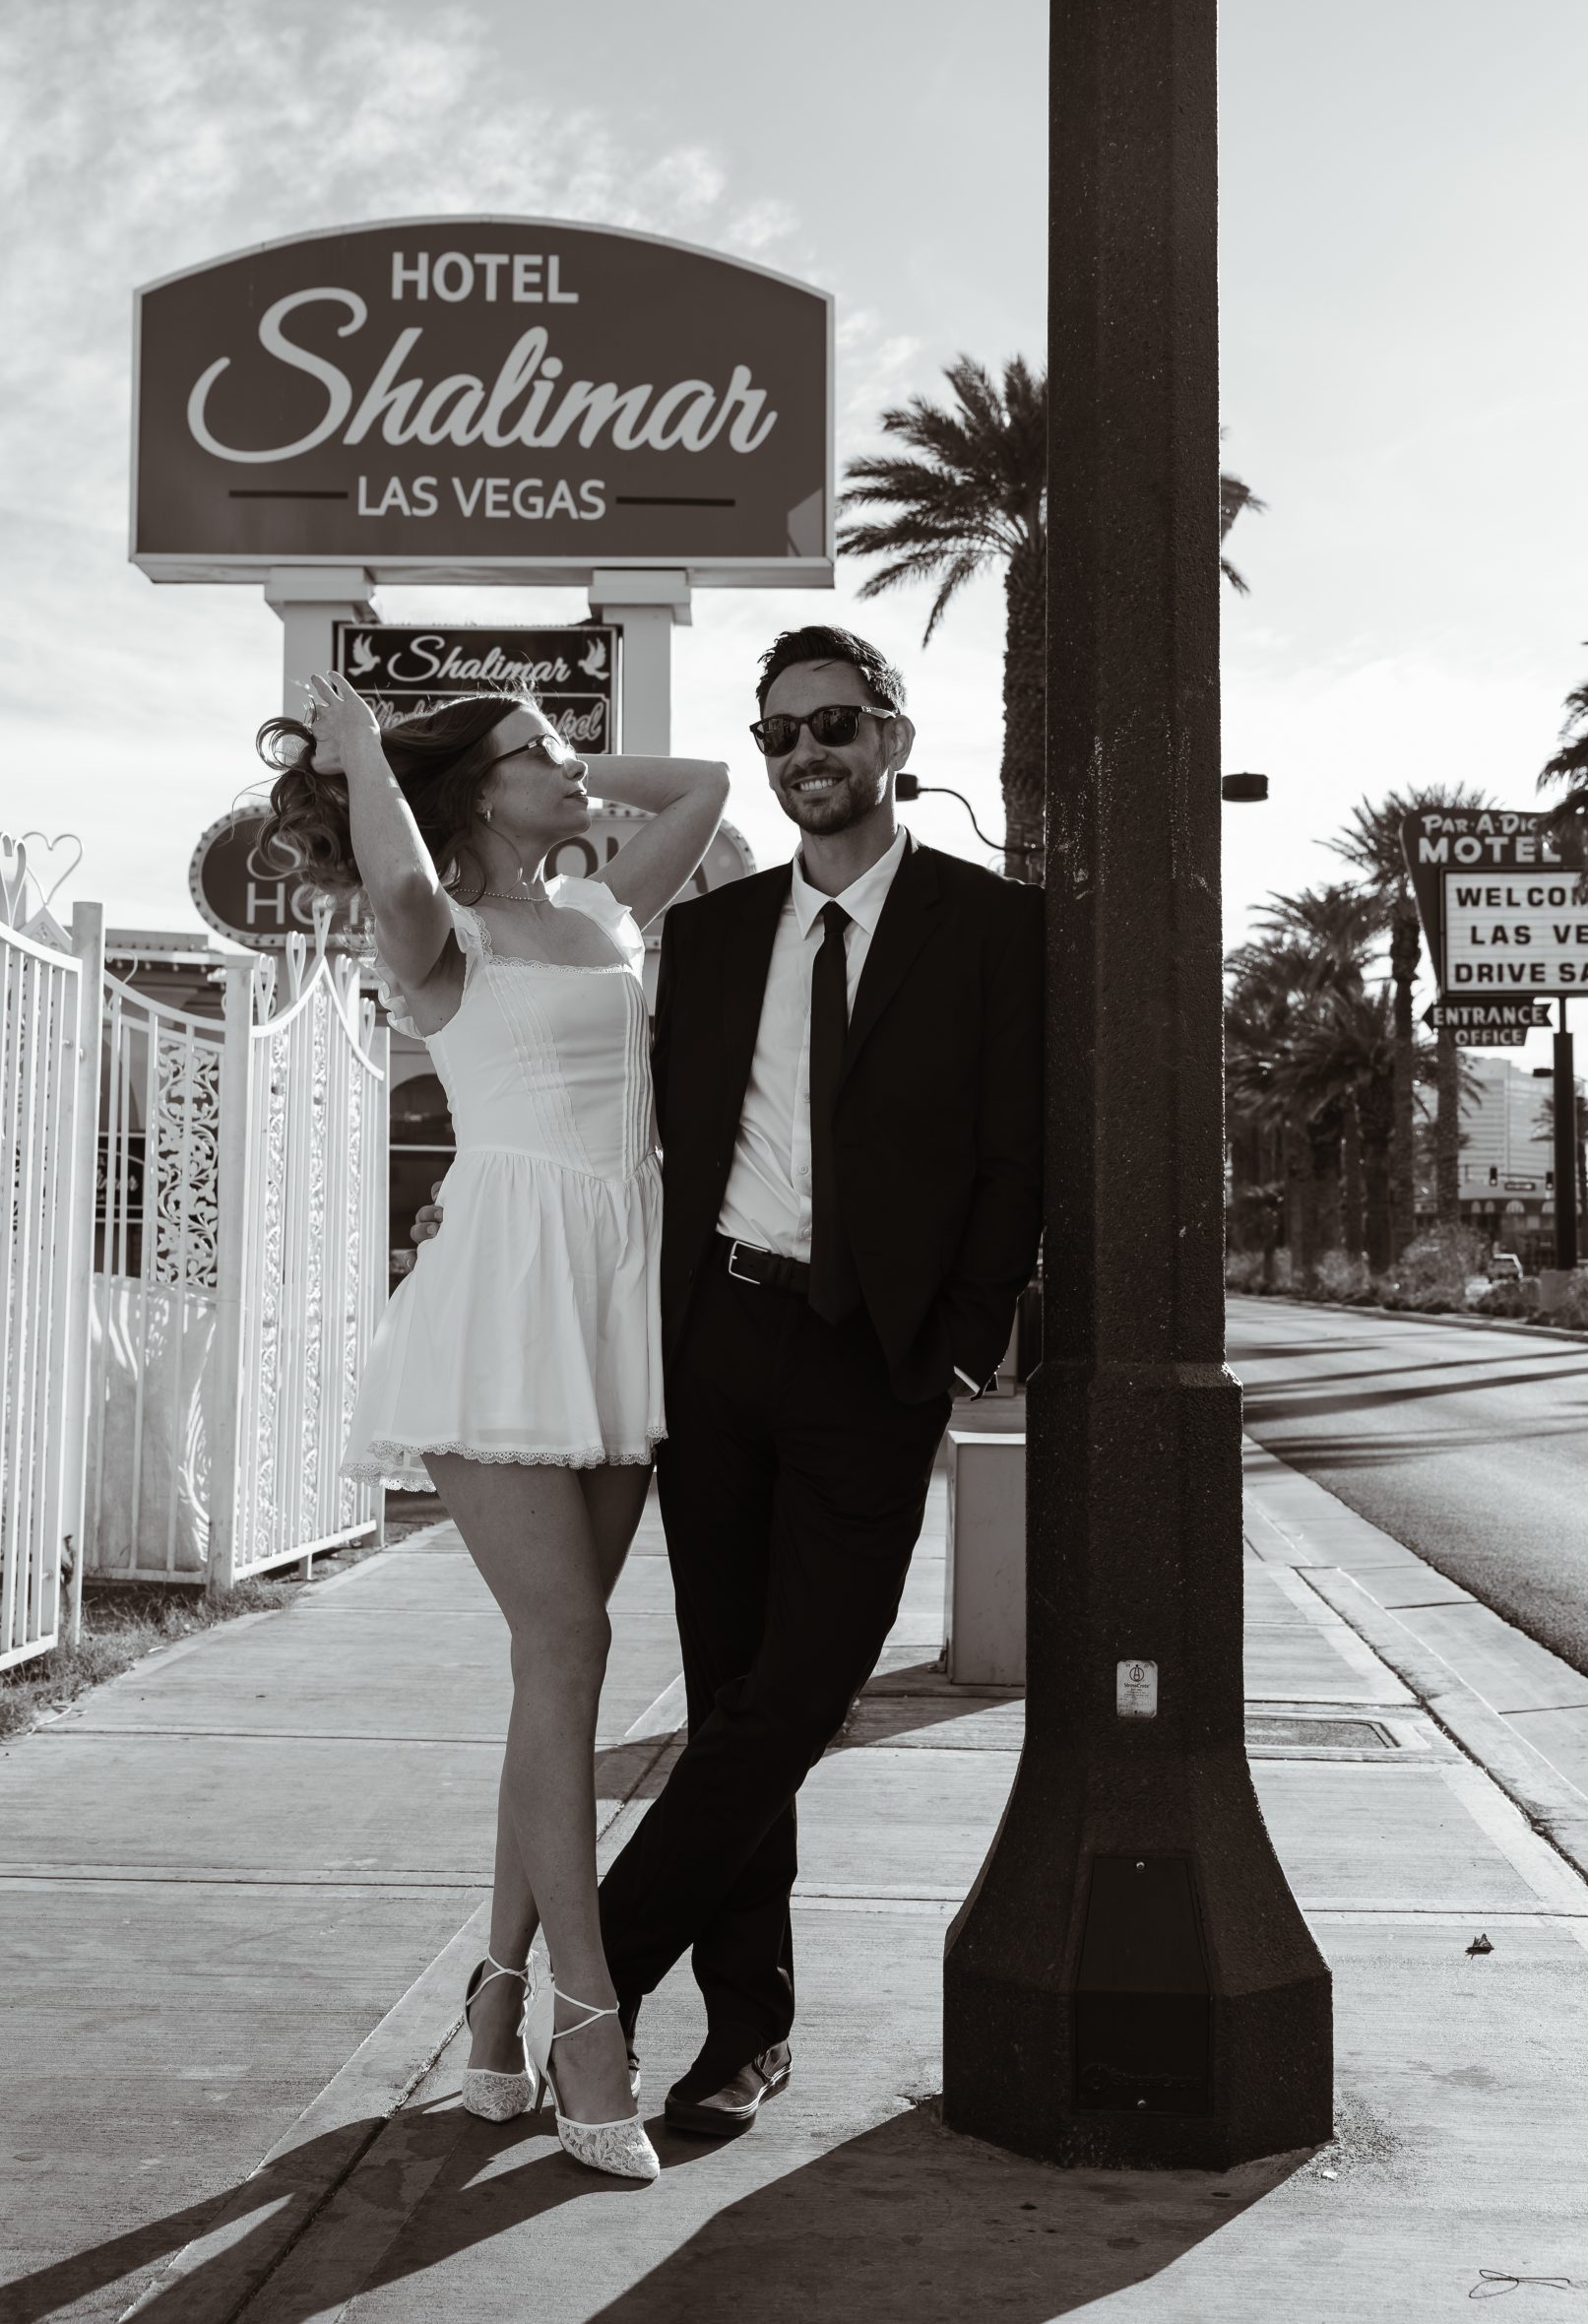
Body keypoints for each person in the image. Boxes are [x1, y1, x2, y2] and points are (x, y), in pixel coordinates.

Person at [418, 621, 1044, 2139]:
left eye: (834, 725)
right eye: (780, 734)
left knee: (802, 1694)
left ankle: (601, 1978)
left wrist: (967, 1333)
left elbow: (1017, 1146)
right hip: (714, 1346)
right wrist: (465, 1194)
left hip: (876, 1361)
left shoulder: (992, 926)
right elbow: (606, 1122)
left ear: (892, 738)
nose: (805, 755)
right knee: (731, 1694)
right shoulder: (706, 937)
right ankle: (746, 2029)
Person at [260, 673, 728, 2184]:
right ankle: (588, 2023)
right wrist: (366, 749)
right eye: (540, 754)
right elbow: (399, 870)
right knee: (569, 1645)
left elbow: (707, 786)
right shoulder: (437, 934)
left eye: (572, 748)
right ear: (471, 794)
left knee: (557, 1677)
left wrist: (548, 746)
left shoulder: (601, 906)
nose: (577, 768)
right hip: (501, 1304)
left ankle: (497, 2000)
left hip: (617, 1301)